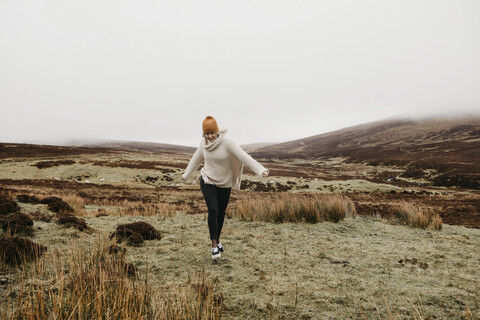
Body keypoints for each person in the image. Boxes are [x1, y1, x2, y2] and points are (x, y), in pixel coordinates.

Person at [182, 116, 269, 259]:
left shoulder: (227, 143)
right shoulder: (203, 144)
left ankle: (217, 238)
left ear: (217, 131)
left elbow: (243, 156)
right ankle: (214, 245)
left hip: (225, 183)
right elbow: (196, 159)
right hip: (208, 180)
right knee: (213, 210)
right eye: (206, 134)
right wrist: (186, 174)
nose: (209, 137)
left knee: (221, 213)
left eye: (212, 133)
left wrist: (260, 170)